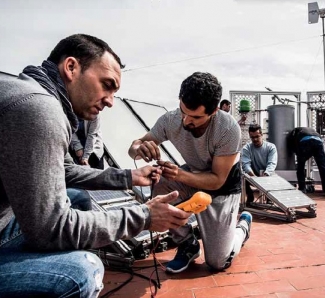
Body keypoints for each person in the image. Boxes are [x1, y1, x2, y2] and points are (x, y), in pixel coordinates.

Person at [0, 34, 191, 297]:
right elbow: (50, 229)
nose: (111, 100)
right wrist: (144, 217)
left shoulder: (33, 94)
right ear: (71, 67)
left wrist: (129, 176)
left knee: (75, 199)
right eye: (107, 85)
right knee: (82, 272)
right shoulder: (38, 109)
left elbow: (64, 170)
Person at [128, 72, 252, 274]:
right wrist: (138, 147)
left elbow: (216, 180)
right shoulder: (171, 119)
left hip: (222, 187)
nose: (186, 121)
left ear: (213, 112)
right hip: (191, 175)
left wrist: (178, 174)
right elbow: (135, 145)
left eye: (195, 117)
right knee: (160, 184)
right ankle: (187, 244)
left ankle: (243, 227)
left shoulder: (228, 129)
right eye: (183, 111)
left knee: (218, 262)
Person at [287, 127, 325, 196]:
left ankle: (302, 188)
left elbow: (292, 143)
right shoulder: (312, 131)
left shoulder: (294, 132)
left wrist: (296, 152)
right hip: (318, 142)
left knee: (301, 167)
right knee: (322, 167)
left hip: (305, 142)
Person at [241, 124, 278, 205]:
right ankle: (250, 196)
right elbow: (245, 164)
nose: (255, 139)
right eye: (252, 137)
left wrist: (265, 175)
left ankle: (269, 198)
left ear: (262, 134)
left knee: (272, 174)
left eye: (257, 136)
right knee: (241, 175)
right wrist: (253, 177)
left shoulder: (271, 147)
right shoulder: (246, 148)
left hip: (266, 175)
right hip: (253, 175)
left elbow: (272, 164)